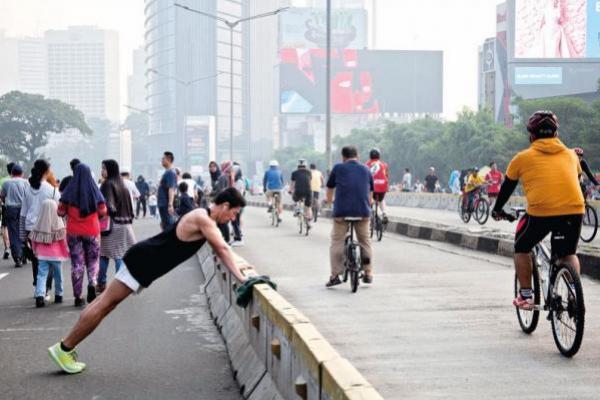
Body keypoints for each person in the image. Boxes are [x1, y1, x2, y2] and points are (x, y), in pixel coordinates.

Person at [47, 188, 250, 374]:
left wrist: (238, 266)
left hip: (144, 262)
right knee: (104, 305)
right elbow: (222, 248)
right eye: (234, 213)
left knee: (104, 305)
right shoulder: (202, 217)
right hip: (142, 262)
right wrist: (241, 278)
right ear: (225, 206)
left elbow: (222, 247)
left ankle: (66, 347)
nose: (232, 217)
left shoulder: (204, 218)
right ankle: (64, 347)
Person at [492, 110, 584, 310]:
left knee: (522, 246)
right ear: (556, 134)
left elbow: (506, 189)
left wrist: (497, 210)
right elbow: (575, 181)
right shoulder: (571, 155)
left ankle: (526, 295)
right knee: (568, 253)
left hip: (541, 212)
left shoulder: (521, 158)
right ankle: (574, 292)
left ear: (531, 135)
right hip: (575, 209)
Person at [58, 163, 107, 307]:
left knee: (77, 264)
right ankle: (92, 284)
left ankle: (78, 297)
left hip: (73, 232)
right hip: (92, 231)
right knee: (93, 261)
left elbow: (60, 212)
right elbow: (103, 212)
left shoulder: (69, 191)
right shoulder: (95, 191)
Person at [325, 146, 374, 287]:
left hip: (342, 212)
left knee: (337, 241)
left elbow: (330, 189)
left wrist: (330, 203)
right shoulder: (366, 169)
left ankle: (335, 275)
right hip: (363, 212)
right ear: (357, 156)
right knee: (365, 241)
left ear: (343, 157)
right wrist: (368, 206)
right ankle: (368, 272)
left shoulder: (338, 168)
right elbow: (370, 192)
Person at [21, 160, 61, 292]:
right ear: (46, 171)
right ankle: (45, 288)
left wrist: (22, 235)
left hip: (30, 227)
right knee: (48, 258)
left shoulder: (28, 188)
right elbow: (59, 211)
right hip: (47, 228)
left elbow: (23, 213)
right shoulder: (52, 190)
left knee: (35, 259)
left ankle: (37, 287)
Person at [98, 160, 136, 295]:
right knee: (120, 255)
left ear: (110, 169)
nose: (102, 171)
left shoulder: (107, 184)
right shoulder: (122, 184)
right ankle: (123, 284)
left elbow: (109, 206)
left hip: (112, 225)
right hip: (126, 225)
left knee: (103, 255)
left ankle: (102, 284)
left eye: (103, 168)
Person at [30, 199, 69, 308]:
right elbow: (64, 241)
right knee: (58, 275)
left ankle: (40, 296)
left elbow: (34, 240)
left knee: (41, 276)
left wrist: (35, 250)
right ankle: (58, 295)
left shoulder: (38, 224)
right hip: (57, 256)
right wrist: (66, 251)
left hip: (42, 255)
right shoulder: (59, 223)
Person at [1, 164, 28, 268]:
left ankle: (18, 257)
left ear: (11, 173)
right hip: (23, 209)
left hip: (11, 209)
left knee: (13, 233)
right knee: (24, 231)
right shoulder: (26, 182)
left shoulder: (6, 183)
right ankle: (24, 253)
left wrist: (7, 202)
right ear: (22, 174)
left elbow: (2, 196)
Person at [365, 148, 389, 223]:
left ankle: (373, 211)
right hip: (383, 186)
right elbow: (386, 176)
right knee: (381, 200)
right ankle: (384, 213)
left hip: (371, 188)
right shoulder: (384, 165)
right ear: (379, 156)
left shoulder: (366, 165)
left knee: (369, 199)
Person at [290, 159, 313, 228]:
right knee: (308, 207)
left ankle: (297, 209)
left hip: (298, 191)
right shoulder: (309, 172)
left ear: (298, 166)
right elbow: (309, 181)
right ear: (305, 166)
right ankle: (309, 221)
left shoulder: (294, 173)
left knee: (295, 199)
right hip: (308, 191)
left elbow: (293, 184)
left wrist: (291, 190)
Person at [158, 152, 178, 231]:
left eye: (163, 159)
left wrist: (170, 205)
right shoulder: (167, 172)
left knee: (169, 227)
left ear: (169, 160)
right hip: (163, 203)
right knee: (165, 225)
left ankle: (171, 242)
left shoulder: (170, 172)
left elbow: (171, 189)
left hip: (166, 204)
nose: (162, 160)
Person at [231, 164, 245, 247]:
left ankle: (239, 239)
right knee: (234, 221)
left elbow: (238, 194)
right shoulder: (236, 181)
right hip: (236, 204)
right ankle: (236, 238)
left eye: (234, 172)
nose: (232, 173)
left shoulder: (239, 182)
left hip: (238, 204)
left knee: (235, 221)